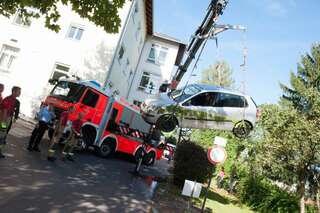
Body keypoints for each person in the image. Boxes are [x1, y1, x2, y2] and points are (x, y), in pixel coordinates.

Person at [0, 86, 21, 158]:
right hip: (4, 119)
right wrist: (3, 124)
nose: (20, 93)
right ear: (14, 92)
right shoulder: (8, 99)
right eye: (19, 92)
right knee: (1, 136)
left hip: (8, 119)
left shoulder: (14, 100)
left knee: (3, 136)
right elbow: (4, 112)